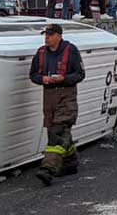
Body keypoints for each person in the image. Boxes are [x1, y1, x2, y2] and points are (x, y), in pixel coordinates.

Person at [29, 24, 86, 186]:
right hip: (48, 96)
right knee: (56, 130)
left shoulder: (71, 50)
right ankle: (70, 163)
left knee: (58, 131)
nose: (47, 37)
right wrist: (43, 79)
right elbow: (32, 74)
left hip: (66, 94)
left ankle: (48, 169)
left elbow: (80, 74)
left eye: (50, 34)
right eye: (45, 34)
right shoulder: (40, 52)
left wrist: (64, 79)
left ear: (59, 36)